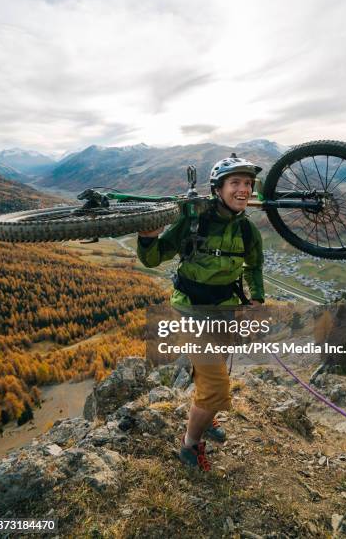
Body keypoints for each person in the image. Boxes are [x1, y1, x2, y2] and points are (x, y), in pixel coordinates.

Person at [137, 154, 265, 471]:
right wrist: (147, 237)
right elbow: (154, 259)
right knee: (218, 386)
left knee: (214, 370)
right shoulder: (193, 222)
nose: (244, 190)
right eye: (235, 183)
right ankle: (190, 445)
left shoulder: (248, 231)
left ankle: (207, 420)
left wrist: (257, 299)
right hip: (192, 310)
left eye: (248, 183)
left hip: (224, 309)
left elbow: (254, 267)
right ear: (218, 189)